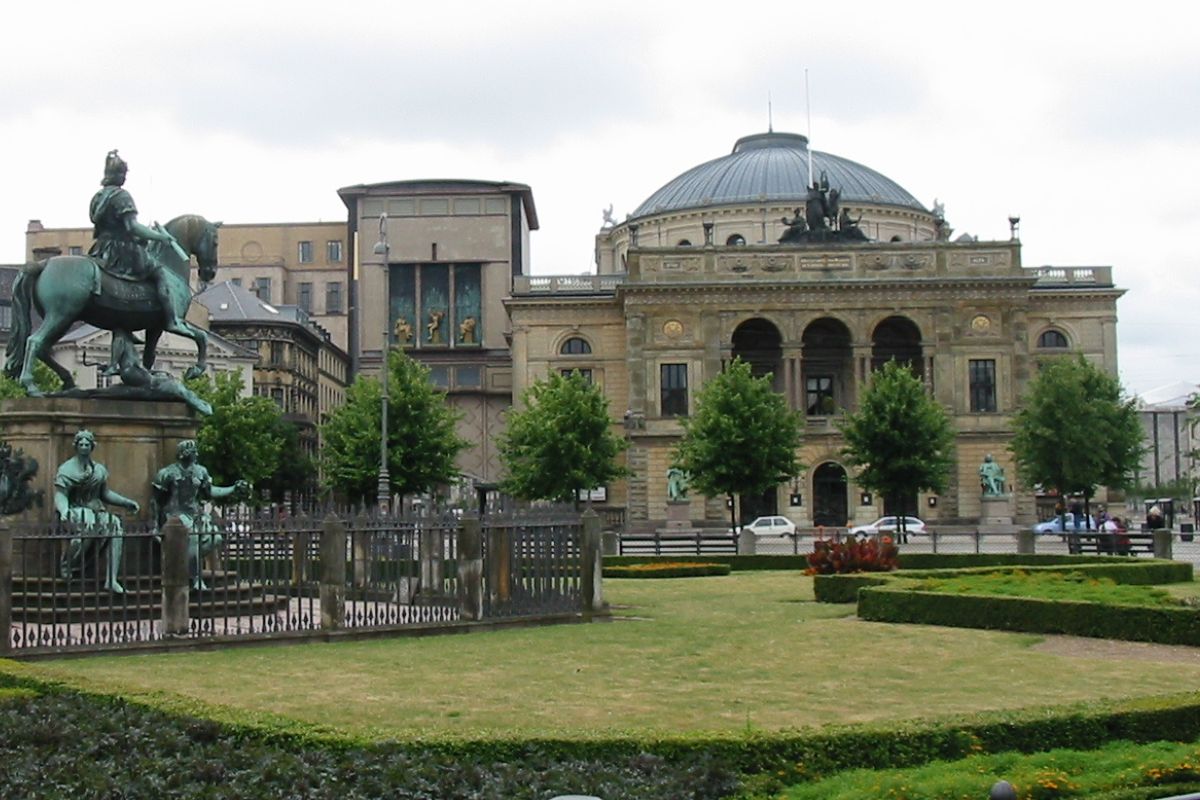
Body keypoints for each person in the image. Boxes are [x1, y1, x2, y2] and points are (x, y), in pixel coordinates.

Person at [89, 149, 187, 334]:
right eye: (123, 174)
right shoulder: (121, 196)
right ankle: (172, 319)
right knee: (160, 274)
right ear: (119, 175)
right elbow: (132, 227)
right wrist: (160, 237)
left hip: (101, 248)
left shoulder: (98, 197)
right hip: (122, 251)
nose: (124, 178)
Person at [152, 439, 250, 590]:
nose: (196, 454)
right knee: (193, 538)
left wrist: (233, 489)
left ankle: (183, 560)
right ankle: (195, 579)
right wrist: (156, 525)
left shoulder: (201, 471)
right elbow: (156, 501)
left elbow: (210, 491)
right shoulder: (167, 473)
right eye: (192, 452)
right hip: (175, 515)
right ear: (183, 454)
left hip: (195, 513)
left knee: (215, 538)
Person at [56, 430, 140, 593]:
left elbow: (105, 494)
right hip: (76, 509)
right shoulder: (67, 469)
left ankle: (111, 579)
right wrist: (64, 510)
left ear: (92, 447)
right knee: (88, 522)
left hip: (96, 508)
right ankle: (69, 563)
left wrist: (126, 502)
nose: (84, 447)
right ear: (76, 446)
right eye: (81, 444)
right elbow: (60, 494)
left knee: (114, 524)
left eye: (87, 444)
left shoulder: (99, 470)